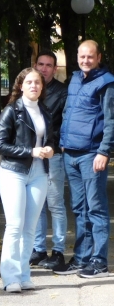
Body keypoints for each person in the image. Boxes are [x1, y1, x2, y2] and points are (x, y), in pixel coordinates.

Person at [54, 40, 114, 278]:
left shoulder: (106, 82)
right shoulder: (75, 79)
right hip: (70, 153)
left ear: (98, 57)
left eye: (90, 57)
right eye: (82, 57)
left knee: (96, 208)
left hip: (92, 154)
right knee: (79, 209)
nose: (85, 61)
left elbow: (110, 121)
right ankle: (81, 258)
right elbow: (69, 112)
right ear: (77, 56)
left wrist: (104, 151)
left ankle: (99, 260)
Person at [0, 68, 54, 293]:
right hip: (14, 172)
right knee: (15, 226)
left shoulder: (45, 111)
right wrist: (30, 151)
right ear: (21, 86)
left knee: (30, 228)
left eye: (37, 83)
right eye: (29, 82)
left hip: (39, 173)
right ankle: (10, 278)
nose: (33, 86)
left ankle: (23, 274)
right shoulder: (12, 110)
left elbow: (52, 137)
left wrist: (50, 148)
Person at [29, 51, 69, 270]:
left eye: (48, 65)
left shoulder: (62, 92)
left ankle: (59, 252)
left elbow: (66, 122)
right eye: (41, 64)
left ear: (55, 69)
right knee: (37, 204)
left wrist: (56, 147)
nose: (44, 68)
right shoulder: (31, 88)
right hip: (33, 155)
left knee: (55, 204)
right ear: (35, 65)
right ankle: (38, 249)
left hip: (53, 155)